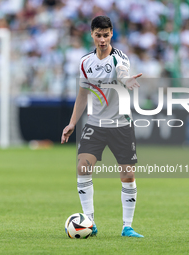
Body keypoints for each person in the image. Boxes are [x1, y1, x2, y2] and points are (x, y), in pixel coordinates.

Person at [61, 16, 143, 238]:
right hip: (95, 124)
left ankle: (127, 226)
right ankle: (90, 222)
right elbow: (82, 94)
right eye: (98, 35)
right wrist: (72, 123)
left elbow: (124, 74)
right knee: (82, 168)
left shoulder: (119, 59)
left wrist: (127, 81)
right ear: (92, 35)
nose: (103, 39)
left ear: (112, 34)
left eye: (106, 35)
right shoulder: (85, 62)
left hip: (120, 124)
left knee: (127, 175)